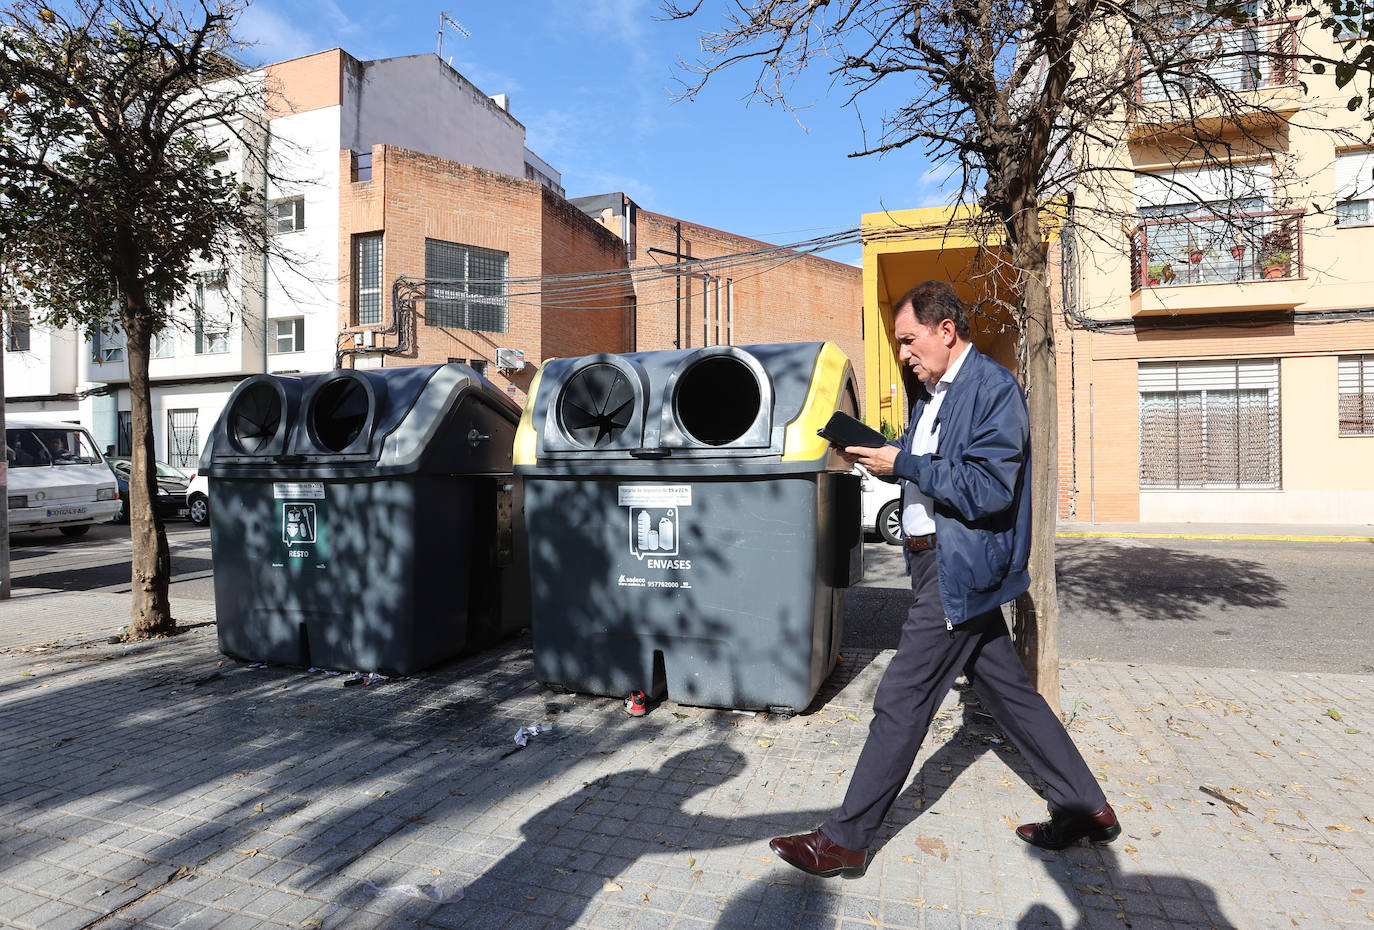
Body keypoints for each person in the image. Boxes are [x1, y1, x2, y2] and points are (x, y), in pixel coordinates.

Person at [770, 281, 1119, 879]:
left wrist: (902, 463)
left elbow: (987, 489)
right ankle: (1086, 807)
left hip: (962, 566)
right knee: (1011, 695)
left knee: (902, 696)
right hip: (936, 560)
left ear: (945, 330)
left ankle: (846, 840)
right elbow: (934, 464)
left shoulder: (992, 389)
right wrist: (882, 452)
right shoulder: (930, 394)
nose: (904, 353)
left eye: (909, 340)